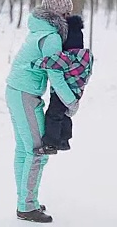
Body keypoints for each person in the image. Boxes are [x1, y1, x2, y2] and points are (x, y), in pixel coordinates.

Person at [5, 0, 78, 223]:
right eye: (67, 14)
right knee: (38, 151)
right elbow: (56, 74)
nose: (69, 18)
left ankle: (26, 201)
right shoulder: (52, 38)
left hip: (16, 91)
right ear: (59, 15)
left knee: (24, 150)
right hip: (25, 94)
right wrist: (71, 101)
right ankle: (27, 206)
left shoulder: (38, 30)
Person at [31, 15, 93, 155]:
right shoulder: (87, 57)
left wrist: (35, 63)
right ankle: (64, 140)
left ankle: (51, 144)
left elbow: (51, 62)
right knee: (64, 114)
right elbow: (89, 74)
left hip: (62, 92)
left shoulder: (66, 58)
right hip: (77, 90)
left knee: (53, 114)